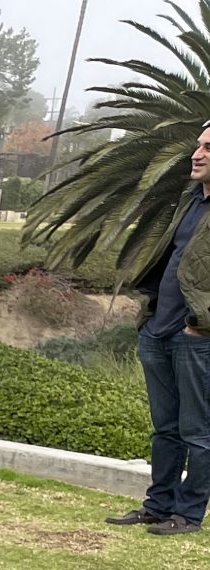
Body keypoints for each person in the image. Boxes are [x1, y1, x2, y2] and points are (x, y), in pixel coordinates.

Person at [111, 119, 210, 536]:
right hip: (159, 330)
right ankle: (158, 505)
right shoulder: (191, 200)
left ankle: (188, 515)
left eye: (208, 148)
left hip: (196, 337)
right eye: (199, 145)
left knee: (198, 432)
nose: (197, 154)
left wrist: (199, 325)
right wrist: (149, 317)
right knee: (165, 428)